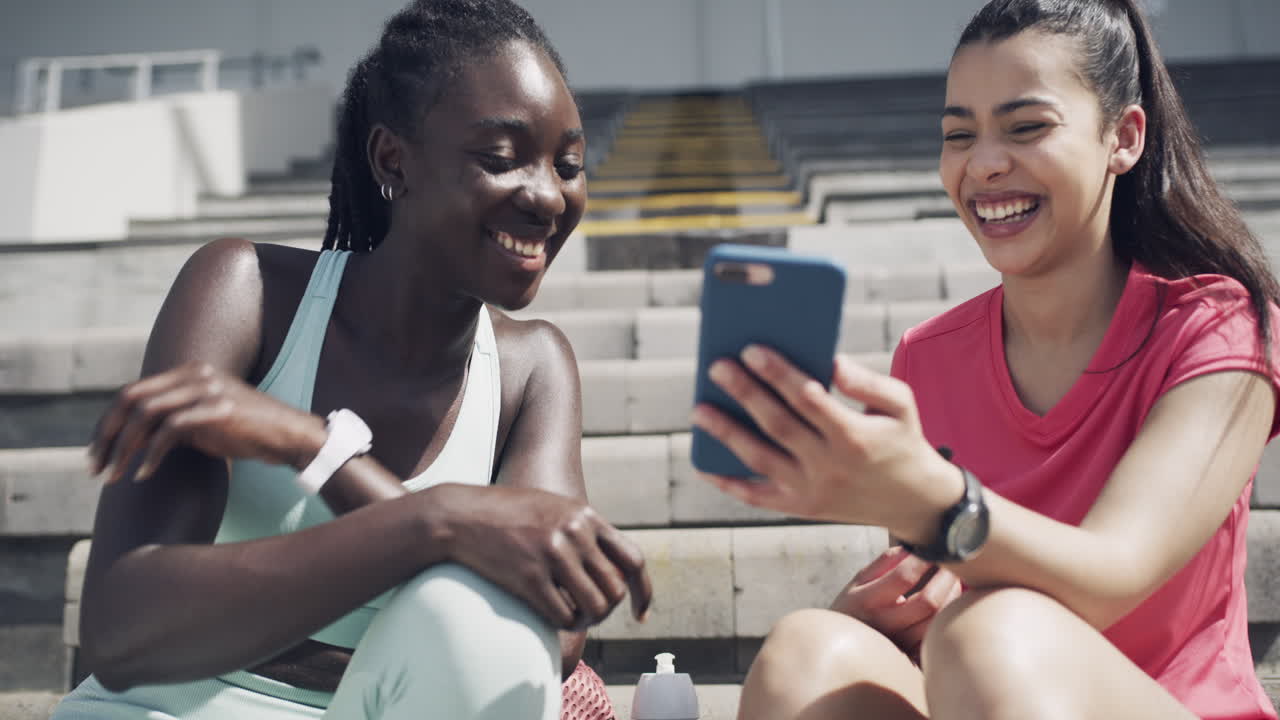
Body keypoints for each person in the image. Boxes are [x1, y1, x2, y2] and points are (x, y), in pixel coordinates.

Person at [51, 1, 651, 718]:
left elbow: (548, 630)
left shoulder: (532, 368)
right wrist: (446, 527)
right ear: (392, 160)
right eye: (500, 158)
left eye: (569, 165)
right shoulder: (247, 295)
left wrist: (319, 449)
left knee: (484, 629)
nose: (548, 195)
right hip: (174, 706)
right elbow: (122, 630)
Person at [691, 0, 1280, 718]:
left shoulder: (1221, 326)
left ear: (1123, 138)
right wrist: (876, 605)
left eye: (1026, 127)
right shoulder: (928, 359)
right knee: (808, 651)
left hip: (1162, 702)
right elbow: (937, 600)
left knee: (991, 631)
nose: (985, 163)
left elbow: (1112, 574)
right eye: (958, 134)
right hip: (992, 684)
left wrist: (933, 500)